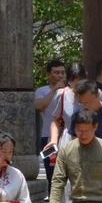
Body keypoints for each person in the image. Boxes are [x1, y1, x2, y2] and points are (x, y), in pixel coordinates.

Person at [46, 62, 87, 203]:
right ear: (69, 81)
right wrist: (53, 140)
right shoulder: (62, 95)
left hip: (89, 140)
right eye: (74, 82)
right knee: (68, 183)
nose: (77, 86)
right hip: (69, 141)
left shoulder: (95, 93)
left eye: (81, 81)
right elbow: (56, 120)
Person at [34, 59, 66, 196]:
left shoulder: (69, 91)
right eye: (56, 72)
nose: (60, 75)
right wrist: (54, 89)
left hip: (66, 136)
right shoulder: (42, 91)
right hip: (47, 137)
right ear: (48, 74)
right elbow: (39, 106)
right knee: (50, 170)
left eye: (62, 73)